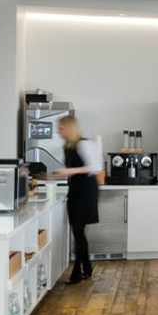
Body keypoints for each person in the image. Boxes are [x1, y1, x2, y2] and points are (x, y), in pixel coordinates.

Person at [53, 116, 101, 285]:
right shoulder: (68, 147)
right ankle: (86, 268)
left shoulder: (83, 144)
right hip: (76, 189)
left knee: (78, 231)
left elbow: (96, 167)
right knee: (78, 232)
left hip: (86, 191)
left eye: (61, 128)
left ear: (70, 129)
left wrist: (69, 171)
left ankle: (77, 272)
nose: (59, 132)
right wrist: (67, 173)